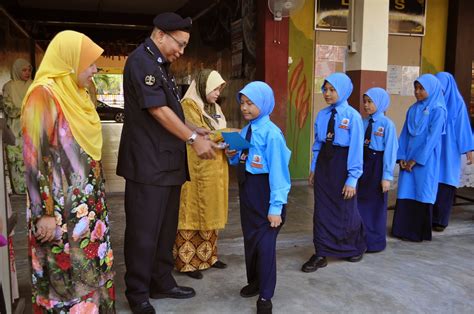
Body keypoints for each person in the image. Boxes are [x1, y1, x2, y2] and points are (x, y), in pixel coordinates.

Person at [116, 12, 216, 314]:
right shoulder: (141, 62)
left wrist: (191, 126)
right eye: (180, 44)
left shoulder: (160, 65)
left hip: (167, 164)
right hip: (147, 164)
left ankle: (161, 281)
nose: (182, 51)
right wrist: (191, 138)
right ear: (160, 34)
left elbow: (169, 109)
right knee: (143, 232)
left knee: (164, 230)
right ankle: (138, 292)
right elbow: (157, 110)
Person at [21, 30, 115, 312]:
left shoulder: (78, 94)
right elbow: (33, 159)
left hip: (87, 211)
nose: (95, 70)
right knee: (65, 280)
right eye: (90, 63)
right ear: (70, 62)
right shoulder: (43, 95)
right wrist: (43, 214)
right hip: (58, 214)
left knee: (92, 269)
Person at [226, 81, 291, 314]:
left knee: (265, 248)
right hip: (248, 194)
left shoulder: (272, 134)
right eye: (242, 103)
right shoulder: (245, 131)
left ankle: (265, 296)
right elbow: (240, 162)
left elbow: (279, 174)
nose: (244, 108)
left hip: (267, 195)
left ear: (263, 103)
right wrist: (232, 154)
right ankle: (254, 282)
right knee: (251, 243)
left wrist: (276, 207)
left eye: (250, 103)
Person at [302, 72, 366, 273]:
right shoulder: (322, 115)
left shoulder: (353, 116)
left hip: (343, 165)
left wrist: (352, 178)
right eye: (325, 89)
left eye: (332, 90)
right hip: (324, 165)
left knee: (345, 209)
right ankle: (321, 252)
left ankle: (352, 247)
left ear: (344, 91)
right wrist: (313, 167)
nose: (327, 94)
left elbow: (356, 149)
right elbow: (318, 143)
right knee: (321, 210)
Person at [173, 69, 230, 279]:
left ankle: (209, 257)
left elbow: (217, 131)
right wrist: (223, 137)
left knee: (211, 210)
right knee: (193, 211)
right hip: (195, 168)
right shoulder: (188, 106)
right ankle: (188, 263)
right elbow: (194, 135)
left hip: (214, 166)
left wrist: (227, 141)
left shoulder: (214, 107)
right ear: (203, 86)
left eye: (219, 89)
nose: (217, 93)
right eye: (214, 88)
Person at [392, 74, 447, 242]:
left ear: (431, 89)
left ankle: (417, 232)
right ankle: (403, 230)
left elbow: (432, 139)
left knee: (422, 191)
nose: (417, 92)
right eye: (416, 88)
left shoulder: (438, 109)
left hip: (425, 160)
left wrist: (415, 160)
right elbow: (404, 135)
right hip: (408, 158)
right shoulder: (413, 108)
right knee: (406, 190)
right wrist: (401, 157)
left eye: (421, 88)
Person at [357, 87, 398, 252]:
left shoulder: (387, 124)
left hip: (378, 164)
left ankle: (374, 242)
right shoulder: (362, 122)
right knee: (360, 202)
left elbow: (390, 151)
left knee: (376, 204)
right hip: (363, 163)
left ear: (380, 102)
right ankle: (360, 238)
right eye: (365, 101)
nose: (366, 105)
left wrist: (386, 176)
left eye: (370, 102)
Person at [432, 72, 473, 232]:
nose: (440, 93)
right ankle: (430, 216)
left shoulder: (457, 104)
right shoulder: (433, 103)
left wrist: (468, 148)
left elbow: (463, 128)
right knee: (432, 181)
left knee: (446, 181)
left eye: (443, 90)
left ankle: (440, 220)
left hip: (449, 149)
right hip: (435, 147)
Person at [2, 58, 32, 194]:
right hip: (15, 130)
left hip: (32, 129)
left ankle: (33, 188)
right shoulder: (9, 87)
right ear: (16, 70)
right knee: (17, 162)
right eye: (24, 70)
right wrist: (27, 110)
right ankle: (20, 190)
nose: (27, 73)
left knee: (32, 160)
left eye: (29, 70)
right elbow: (8, 109)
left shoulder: (34, 85)